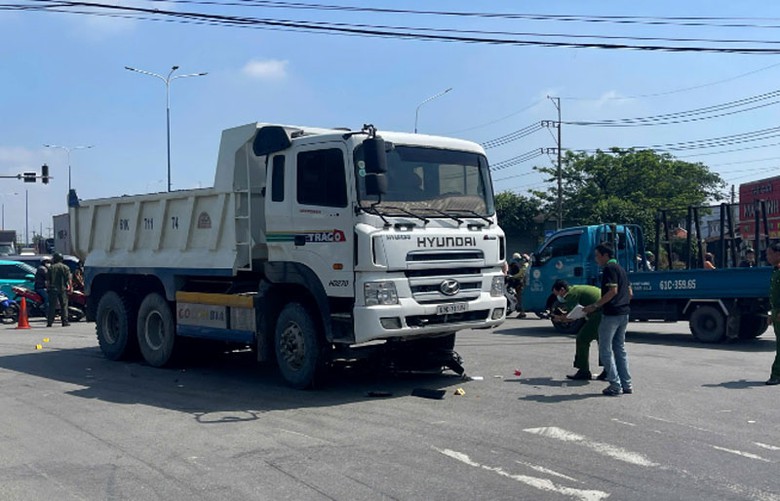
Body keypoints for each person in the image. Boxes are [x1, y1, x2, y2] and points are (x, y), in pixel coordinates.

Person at [583, 242, 633, 396]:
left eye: (597, 256)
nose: (596, 259)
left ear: (605, 255)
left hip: (611, 314)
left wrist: (595, 305)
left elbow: (612, 291)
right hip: (624, 313)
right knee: (620, 349)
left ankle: (615, 385)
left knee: (605, 350)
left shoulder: (609, 269)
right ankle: (627, 384)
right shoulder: (621, 269)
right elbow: (630, 293)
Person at [551, 279, 606, 381]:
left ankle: (583, 371)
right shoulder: (575, 289)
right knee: (602, 342)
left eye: (557, 294)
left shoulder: (571, 295)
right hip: (605, 312)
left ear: (562, 290)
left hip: (598, 314)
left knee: (582, 339)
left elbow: (573, 316)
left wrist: (560, 318)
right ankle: (608, 370)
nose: (558, 297)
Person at [765, 241, 780, 385]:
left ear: (778, 254)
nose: (767, 257)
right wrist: (771, 313)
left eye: (770, 254)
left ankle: (776, 375)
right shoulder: (776, 270)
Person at [46, 252, 72, 327]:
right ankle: (65, 321)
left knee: (52, 306)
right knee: (64, 305)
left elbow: (48, 281)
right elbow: (69, 279)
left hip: (53, 289)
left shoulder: (51, 268)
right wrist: (70, 287)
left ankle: (50, 322)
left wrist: (48, 288)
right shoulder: (65, 267)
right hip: (63, 289)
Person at [507, 253, 529, 318]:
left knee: (520, 298)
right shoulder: (523, 265)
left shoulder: (525, 266)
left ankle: (522, 312)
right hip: (522, 283)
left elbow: (520, 274)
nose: (521, 260)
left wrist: (512, 276)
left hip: (521, 283)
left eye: (523, 259)